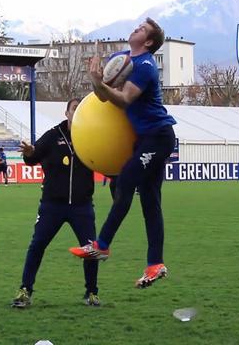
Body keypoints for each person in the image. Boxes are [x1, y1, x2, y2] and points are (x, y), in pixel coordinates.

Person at [69, 17, 177, 289]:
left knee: (126, 181)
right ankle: (155, 264)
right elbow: (104, 97)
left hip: (158, 137)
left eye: (142, 30)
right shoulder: (121, 58)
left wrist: (100, 84)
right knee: (150, 201)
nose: (135, 29)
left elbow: (124, 99)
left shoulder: (145, 67)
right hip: (144, 139)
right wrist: (97, 81)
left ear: (149, 42)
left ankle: (102, 245)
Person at [11, 98, 100, 308]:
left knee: (91, 250)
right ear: (67, 112)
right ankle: (25, 290)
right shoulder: (53, 136)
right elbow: (33, 157)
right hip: (52, 205)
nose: (77, 113)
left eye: (81, 110)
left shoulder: (92, 136)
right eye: (74, 109)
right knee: (37, 245)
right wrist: (30, 152)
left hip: (82, 206)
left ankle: (92, 292)